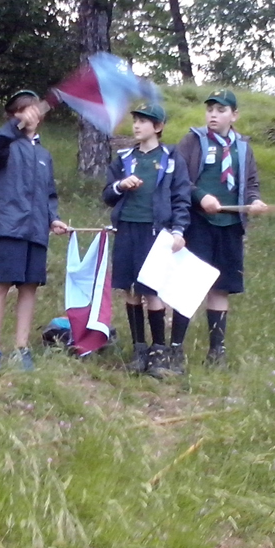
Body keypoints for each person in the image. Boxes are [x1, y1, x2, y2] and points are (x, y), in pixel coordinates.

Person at [174, 89, 267, 366]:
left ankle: (217, 352)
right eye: (210, 109)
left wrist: (255, 201)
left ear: (234, 115)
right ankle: (175, 349)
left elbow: (250, 183)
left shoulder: (243, 147)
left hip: (230, 226)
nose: (213, 115)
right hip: (198, 224)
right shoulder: (193, 141)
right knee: (189, 286)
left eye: (221, 110)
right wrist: (200, 197)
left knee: (221, 287)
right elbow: (179, 178)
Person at [101, 102, 191, 377]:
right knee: (131, 290)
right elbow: (107, 194)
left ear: (158, 126)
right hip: (127, 228)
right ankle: (139, 348)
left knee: (153, 290)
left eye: (143, 121)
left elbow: (181, 198)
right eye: (135, 120)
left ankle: (159, 351)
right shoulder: (124, 158)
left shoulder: (171, 159)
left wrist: (179, 230)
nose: (137, 125)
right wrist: (120, 185)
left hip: (156, 233)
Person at [0, 90, 69, 372]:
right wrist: (16, 125)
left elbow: (49, 194)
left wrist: (53, 219)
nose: (31, 114)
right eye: (23, 110)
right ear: (12, 115)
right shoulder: (5, 146)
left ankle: (22, 348)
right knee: (1, 285)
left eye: (34, 109)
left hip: (36, 231)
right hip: (9, 227)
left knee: (29, 287)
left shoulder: (44, 154)